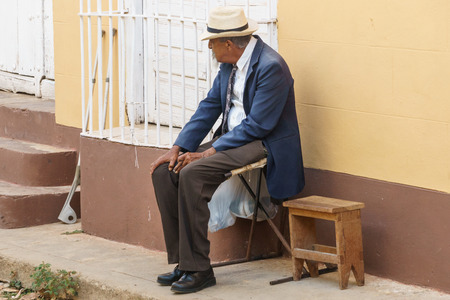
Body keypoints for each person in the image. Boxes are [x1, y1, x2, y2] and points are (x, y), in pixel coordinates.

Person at [149, 6, 305, 294]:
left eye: (212, 41)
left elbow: (259, 125)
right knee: (165, 172)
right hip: (233, 139)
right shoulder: (228, 65)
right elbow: (209, 107)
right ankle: (185, 262)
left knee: (193, 172)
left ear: (229, 43)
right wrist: (178, 146)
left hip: (262, 143)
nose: (209, 46)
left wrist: (210, 151)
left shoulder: (271, 66)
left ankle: (200, 270)